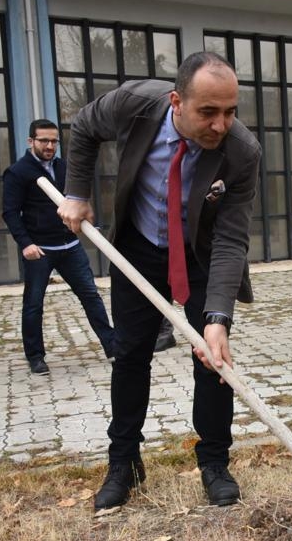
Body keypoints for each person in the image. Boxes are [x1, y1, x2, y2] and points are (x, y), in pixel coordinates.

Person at [58, 51, 260, 510]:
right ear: (176, 102)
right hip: (138, 247)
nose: (220, 124)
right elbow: (83, 128)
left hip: (200, 255)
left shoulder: (241, 151)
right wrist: (76, 193)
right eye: (208, 112)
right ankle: (124, 463)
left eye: (230, 111)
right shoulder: (134, 103)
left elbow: (231, 238)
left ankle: (214, 462)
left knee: (213, 360)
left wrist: (217, 318)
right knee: (130, 354)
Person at [2, 119, 116, 375]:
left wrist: (87, 215)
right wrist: (26, 244)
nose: (50, 145)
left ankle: (112, 346)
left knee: (91, 296)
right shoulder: (19, 172)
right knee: (34, 304)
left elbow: (78, 199)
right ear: (31, 141)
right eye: (44, 140)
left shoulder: (66, 168)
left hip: (70, 245)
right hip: (39, 249)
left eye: (54, 141)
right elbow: (10, 212)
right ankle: (36, 356)